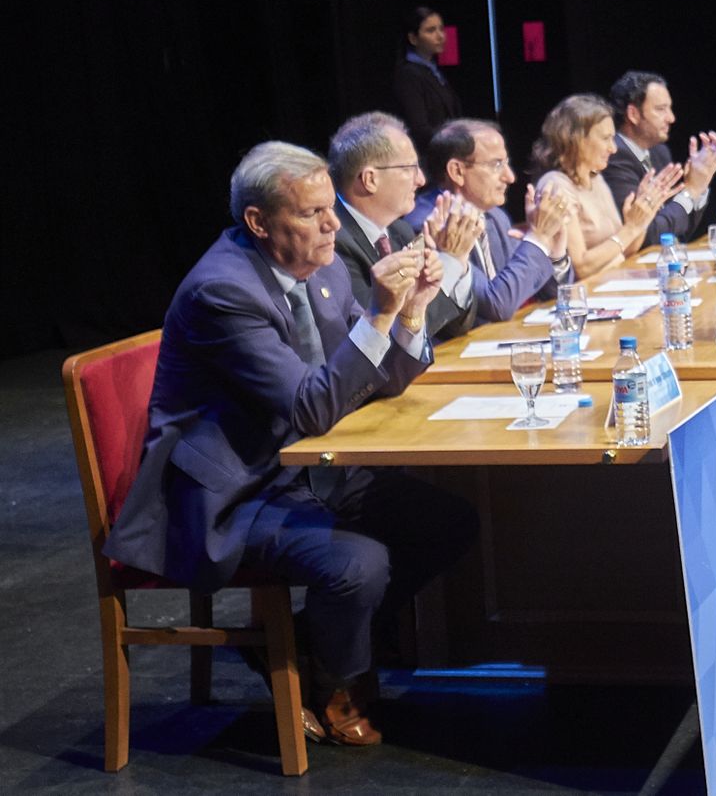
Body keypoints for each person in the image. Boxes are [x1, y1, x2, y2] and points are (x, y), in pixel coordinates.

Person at [104, 142, 479, 746]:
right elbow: (313, 403)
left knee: (446, 521)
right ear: (258, 222)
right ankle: (336, 683)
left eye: (331, 208)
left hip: (306, 466)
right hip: (235, 489)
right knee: (360, 564)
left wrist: (411, 312)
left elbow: (374, 377)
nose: (333, 225)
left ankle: (300, 651)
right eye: (311, 214)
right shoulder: (222, 293)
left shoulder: (322, 265)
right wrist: (381, 316)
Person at [329, 111, 484, 339]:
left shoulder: (399, 231)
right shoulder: (333, 242)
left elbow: (452, 327)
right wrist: (450, 260)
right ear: (370, 179)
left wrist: (457, 262)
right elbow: (383, 340)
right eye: (410, 168)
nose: (421, 180)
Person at [406, 118, 570, 322]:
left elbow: (555, 294)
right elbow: (497, 305)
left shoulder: (495, 216)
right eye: (497, 164)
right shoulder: (430, 225)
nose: (510, 177)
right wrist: (537, 238)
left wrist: (554, 252)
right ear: (457, 171)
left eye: (506, 163)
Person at [527, 93, 683, 279]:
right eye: (605, 138)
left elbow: (624, 251)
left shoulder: (596, 179)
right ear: (577, 140)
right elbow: (580, 267)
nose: (613, 148)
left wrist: (642, 219)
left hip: (614, 286)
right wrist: (630, 228)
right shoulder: (556, 186)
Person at [602, 69, 716, 246]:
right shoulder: (614, 157)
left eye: (669, 108)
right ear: (633, 114)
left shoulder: (659, 152)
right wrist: (690, 191)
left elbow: (677, 228)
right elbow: (647, 235)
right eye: (661, 109)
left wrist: (700, 183)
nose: (671, 118)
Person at [392, 5, 463, 147]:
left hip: (445, 153)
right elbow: (419, 130)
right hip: (427, 158)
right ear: (413, 38)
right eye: (431, 30)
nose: (440, 35)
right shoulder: (408, 74)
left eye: (441, 29)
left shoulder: (433, 70)